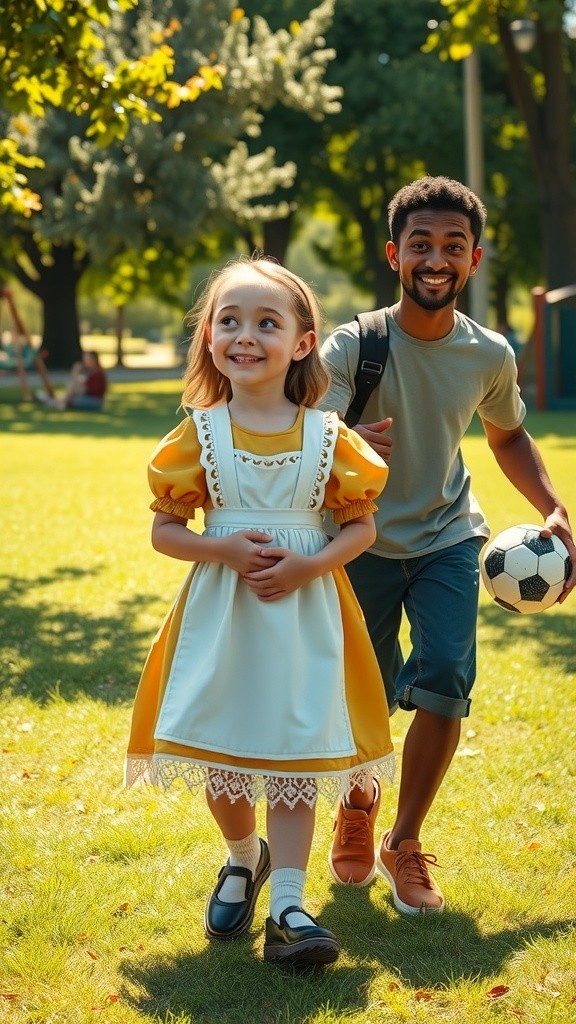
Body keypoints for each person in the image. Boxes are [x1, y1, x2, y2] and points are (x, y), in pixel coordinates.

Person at [125, 255, 395, 967]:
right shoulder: (199, 433)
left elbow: (361, 527)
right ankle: (244, 856)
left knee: (296, 754)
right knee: (227, 752)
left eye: (265, 322)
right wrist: (224, 551)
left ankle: (288, 907)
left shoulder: (331, 438)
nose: (245, 335)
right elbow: (165, 530)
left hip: (307, 614)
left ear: (302, 342)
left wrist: (310, 563)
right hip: (225, 615)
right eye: (229, 321)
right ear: (209, 337)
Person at [320, 176, 576, 915]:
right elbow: (309, 428)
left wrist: (555, 507)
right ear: (395, 253)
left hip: (447, 538)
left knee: (445, 683)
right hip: (357, 541)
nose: (436, 258)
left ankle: (403, 840)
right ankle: (357, 805)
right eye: (421, 245)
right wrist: (343, 442)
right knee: (359, 695)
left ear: (475, 259)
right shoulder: (355, 344)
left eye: (453, 247)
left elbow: (508, 433)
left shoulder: (488, 354)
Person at [35, 350, 107, 410]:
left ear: (94, 360)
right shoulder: (89, 372)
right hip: (87, 397)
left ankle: (59, 402)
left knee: (74, 396)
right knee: (73, 388)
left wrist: (75, 373)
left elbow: (89, 390)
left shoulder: (98, 374)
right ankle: (60, 401)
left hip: (95, 401)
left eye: (87, 359)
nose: (85, 361)